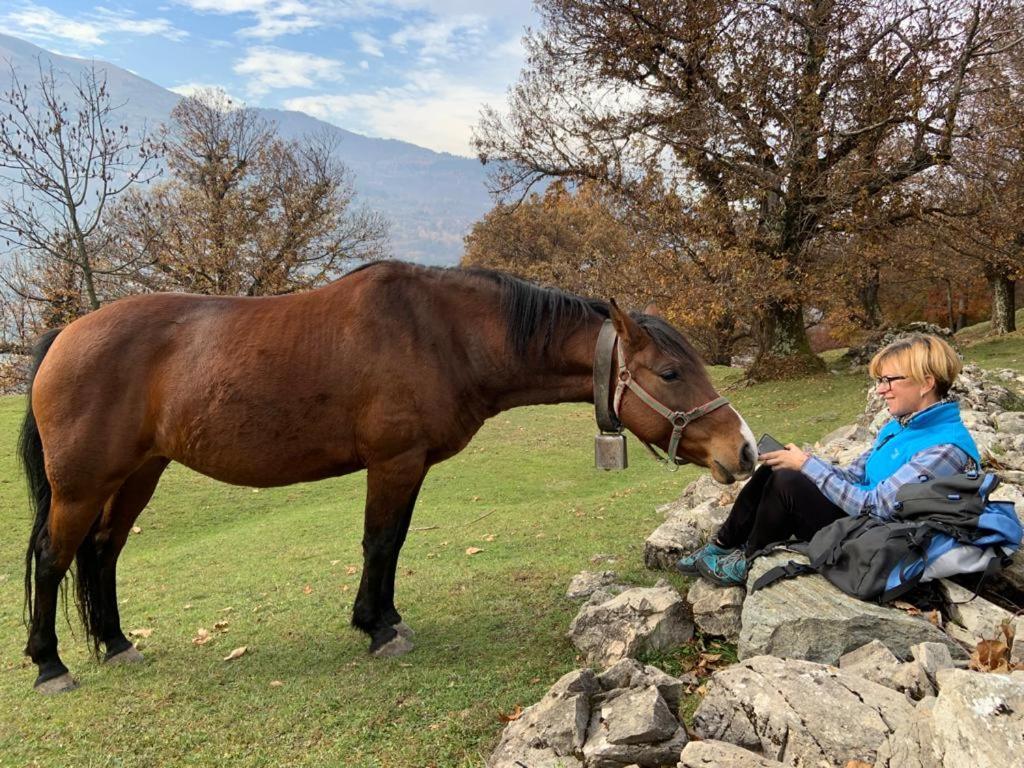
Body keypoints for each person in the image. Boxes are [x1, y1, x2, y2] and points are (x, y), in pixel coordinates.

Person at [678, 333, 981, 586]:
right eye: (880, 380)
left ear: (926, 383)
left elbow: (878, 507)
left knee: (788, 481)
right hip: (864, 525)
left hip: (885, 541)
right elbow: (856, 476)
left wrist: (806, 467)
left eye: (889, 380)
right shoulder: (900, 427)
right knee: (777, 467)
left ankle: (749, 560)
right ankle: (722, 546)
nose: (881, 390)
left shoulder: (945, 449)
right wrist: (805, 461)